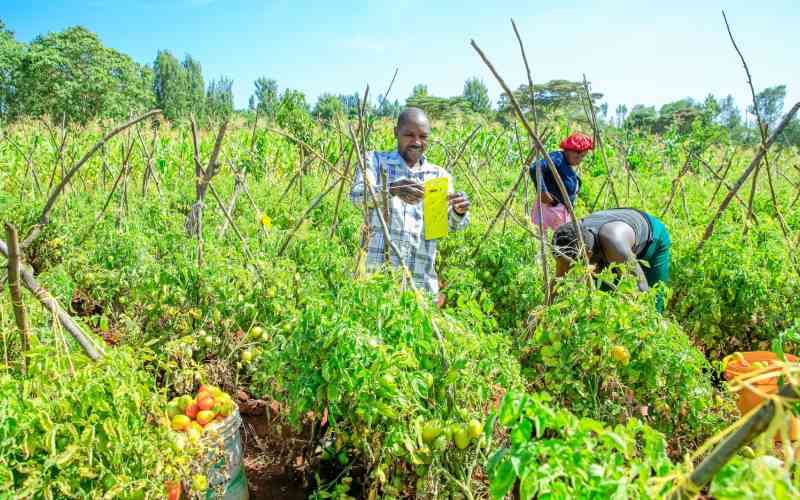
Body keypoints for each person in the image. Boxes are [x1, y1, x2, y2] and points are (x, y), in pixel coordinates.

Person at [350, 107, 470, 297]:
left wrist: (458, 212)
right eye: (409, 134)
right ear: (396, 132)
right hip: (374, 282)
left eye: (423, 136)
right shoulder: (375, 161)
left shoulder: (438, 176)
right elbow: (356, 196)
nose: (416, 142)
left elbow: (447, 226)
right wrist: (390, 190)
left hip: (419, 285)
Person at [551, 208, 671, 312]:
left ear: (588, 253)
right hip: (617, 236)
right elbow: (558, 283)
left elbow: (640, 289)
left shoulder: (615, 245)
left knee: (654, 300)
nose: (571, 271)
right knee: (604, 295)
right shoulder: (565, 243)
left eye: (573, 266)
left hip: (653, 239)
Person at [529, 132, 594, 233]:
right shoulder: (557, 158)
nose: (580, 160)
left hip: (559, 214)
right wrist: (542, 191)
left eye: (582, 157)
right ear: (569, 150)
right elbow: (535, 167)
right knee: (543, 243)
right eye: (578, 156)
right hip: (548, 211)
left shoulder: (566, 164)